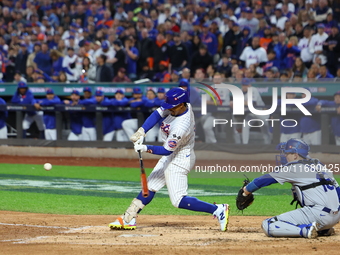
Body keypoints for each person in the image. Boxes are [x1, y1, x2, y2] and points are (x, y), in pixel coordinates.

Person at [109, 87, 229, 231]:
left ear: (181, 105)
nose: (168, 109)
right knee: (150, 186)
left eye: (171, 107)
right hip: (173, 154)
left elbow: (166, 150)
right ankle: (129, 217)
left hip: (180, 158)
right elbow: (157, 113)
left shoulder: (181, 126)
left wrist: (145, 148)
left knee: (178, 200)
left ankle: (218, 209)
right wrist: (142, 131)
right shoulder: (181, 105)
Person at [243, 138, 340, 238]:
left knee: (268, 224)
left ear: (295, 155)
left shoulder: (293, 167)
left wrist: (246, 190)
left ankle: (305, 230)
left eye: (287, 153)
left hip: (319, 215)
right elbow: (338, 192)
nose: (285, 156)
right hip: (336, 217)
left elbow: (264, 179)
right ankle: (324, 229)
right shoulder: (320, 166)